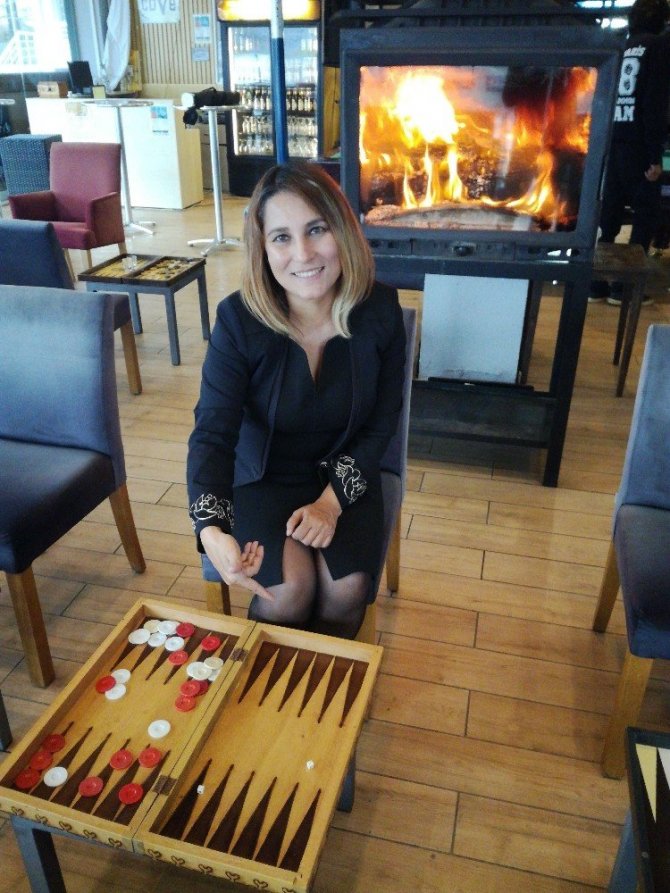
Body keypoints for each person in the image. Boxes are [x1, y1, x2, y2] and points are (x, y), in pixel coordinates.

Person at [187, 161, 406, 640]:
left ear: (342, 231)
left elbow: (381, 424)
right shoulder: (238, 321)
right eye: (282, 237)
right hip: (262, 476)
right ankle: (267, 680)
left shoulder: (380, 311)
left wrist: (331, 503)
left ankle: (324, 680)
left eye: (317, 229)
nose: (303, 254)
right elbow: (213, 432)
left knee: (346, 588)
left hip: (346, 471)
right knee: (289, 592)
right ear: (263, 249)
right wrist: (211, 530)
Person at [590, 0, 670, 304]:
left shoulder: (621, 45)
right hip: (640, 144)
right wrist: (655, 157)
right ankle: (624, 288)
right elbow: (654, 103)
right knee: (646, 214)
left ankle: (595, 283)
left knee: (609, 215)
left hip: (614, 140)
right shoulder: (658, 47)